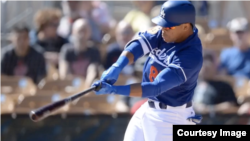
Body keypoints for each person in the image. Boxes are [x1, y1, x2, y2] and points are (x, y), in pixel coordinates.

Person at [92, 0, 203, 140]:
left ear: (186, 27)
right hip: (148, 108)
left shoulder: (191, 55)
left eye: (168, 27)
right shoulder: (167, 31)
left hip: (172, 119)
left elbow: (156, 87)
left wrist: (115, 90)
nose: (162, 29)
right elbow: (139, 44)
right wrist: (117, 66)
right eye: (162, 24)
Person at [193, 50, 239, 114]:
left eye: (208, 64)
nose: (204, 68)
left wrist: (208, 109)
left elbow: (230, 106)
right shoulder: (190, 85)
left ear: (215, 66)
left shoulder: (223, 86)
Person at [59, 18, 102, 88]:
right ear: (73, 32)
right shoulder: (66, 50)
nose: (82, 34)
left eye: (85, 31)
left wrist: (85, 88)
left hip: (87, 89)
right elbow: (64, 74)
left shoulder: (94, 51)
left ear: (89, 33)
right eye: (80, 31)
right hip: (70, 87)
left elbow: (92, 70)